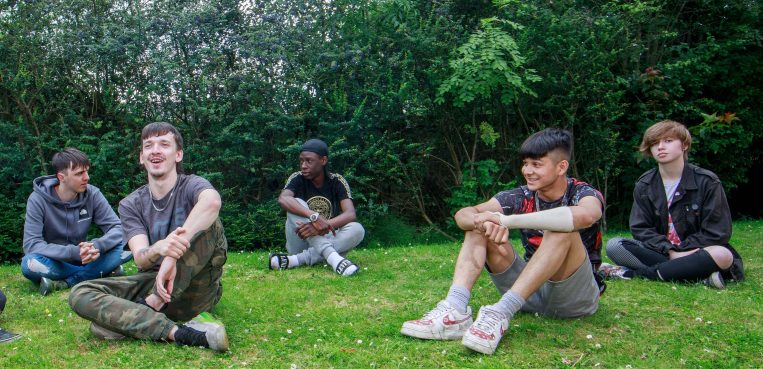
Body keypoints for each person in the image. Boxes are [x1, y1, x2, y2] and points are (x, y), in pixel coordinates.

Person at [401, 128, 605, 355]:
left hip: (574, 299)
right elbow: (463, 215)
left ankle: (501, 312)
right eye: (525, 163)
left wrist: (506, 221)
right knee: (477, 225)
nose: (527, 171)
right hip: (530, 294)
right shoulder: (521, 195)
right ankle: (455, 309)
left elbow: (587, 215)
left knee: (563, 227)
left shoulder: (583, 192)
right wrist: (483, 221)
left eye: (536, 164)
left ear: (561, 167)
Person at [68, 122, 229, 351]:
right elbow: (141, 259)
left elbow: (212, 202)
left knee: (210, 224)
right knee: (80, 293)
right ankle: (179, 333)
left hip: (195, 289)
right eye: (148, 146)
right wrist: (158, 249)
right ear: (141, 157)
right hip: (153, 283)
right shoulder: (131, 204)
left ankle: (144, 312)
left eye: (164, 144)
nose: (155, 150)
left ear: (178, 154)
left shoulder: (192, 185)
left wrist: (171, 257)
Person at [602, 120, 743, 288]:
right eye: (654, 143)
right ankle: (695, 277)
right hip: (663, 253)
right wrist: (669, 250)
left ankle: (631, 274)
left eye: (668, 141)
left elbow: (718, 232)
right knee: (614, 245)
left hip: (699, 252)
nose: (660, 147)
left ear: (684, 145)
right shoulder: (644, 184)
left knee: (723, 254)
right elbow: (641, 229)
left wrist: (682, 250)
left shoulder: (707, 181)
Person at [22, 148, 131, 296]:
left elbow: (118, 228)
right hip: (57, 261)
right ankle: (101, 272)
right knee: (29, 263)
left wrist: (96, 245)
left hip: (88, 257)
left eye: (86, 171)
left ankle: (66, 282)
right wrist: (74, 252)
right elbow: (32, 244)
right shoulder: (38, 199)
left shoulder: (92, 193)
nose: (87, 177)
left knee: (130, 244)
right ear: (62, 177)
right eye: (79, 173)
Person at [269, 138, 365, 276]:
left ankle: (295, 261)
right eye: (301, 161)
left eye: (309, 161)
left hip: (325, 237)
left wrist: (319, 225)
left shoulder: (336, 181)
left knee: (357, 229)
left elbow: (350, 214)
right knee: (296, 202)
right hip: (300, 240)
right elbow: (283, 199)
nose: (303, 165)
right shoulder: (297, 178)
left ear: (323, 161)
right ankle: (333, 258)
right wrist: (314, 217)